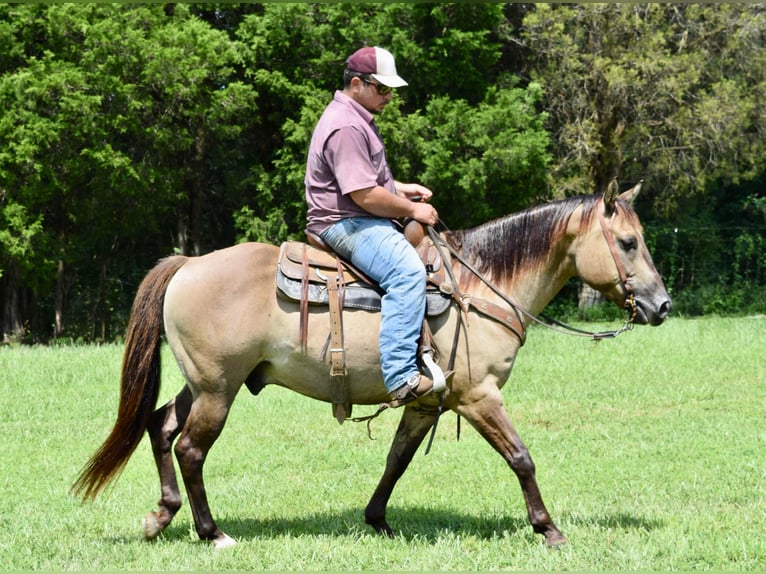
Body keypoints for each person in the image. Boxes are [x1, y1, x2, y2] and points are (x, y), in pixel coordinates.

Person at [305, 46, 440, 406]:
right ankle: (400, 377)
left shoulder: (355, 116)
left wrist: (401, 189)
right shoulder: (347, 125)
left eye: (390, 89)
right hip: (345, 222)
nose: (389, 96)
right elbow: (364, 195)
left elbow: (366, 182)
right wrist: (413, 208)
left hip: (355, 213)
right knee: (407, 272)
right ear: (356, 84)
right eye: (382, 88)